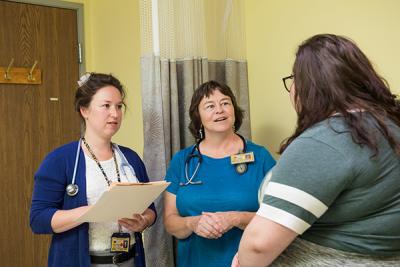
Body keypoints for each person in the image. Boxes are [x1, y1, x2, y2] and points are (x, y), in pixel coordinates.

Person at [232, 34, 400, 266]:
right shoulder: (388, 126)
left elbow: (259, 245)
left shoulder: (327, 140)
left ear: (308, 86)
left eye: (294, 79)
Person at [30, 73, 156, 267]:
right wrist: (92, 211)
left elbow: (150, 209)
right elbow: (39, 219)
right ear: (84, 110)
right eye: (106, 106)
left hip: (129, 259)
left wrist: (144, 221)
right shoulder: (60, 160)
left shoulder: (130, 158)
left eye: (119, 106)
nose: (115, 113)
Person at [163, 80, 276, 267]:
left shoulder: (260, 157)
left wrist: (236, 218)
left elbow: (277, 217)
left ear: (234, 110)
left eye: (225, 103)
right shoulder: (182, 161)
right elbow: (170, 222)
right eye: (210, 106)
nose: (219, 110)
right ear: (198, 117)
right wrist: (193, 223)